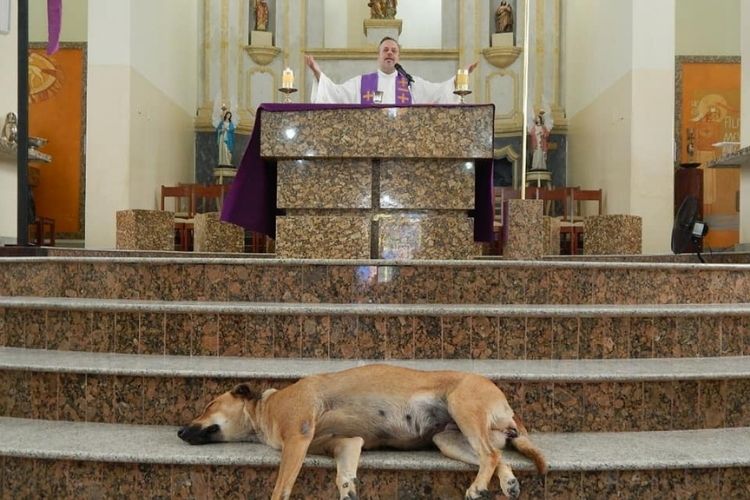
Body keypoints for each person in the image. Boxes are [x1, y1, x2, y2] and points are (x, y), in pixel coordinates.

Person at [305, 37, 478, 105]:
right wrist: (317, 71)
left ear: (398, 57)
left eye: (394, 51)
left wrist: (459, 79)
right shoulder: (362, 82)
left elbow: (438, 91)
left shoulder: (410, 83)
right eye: (385, 50)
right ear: (378, 56)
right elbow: (336, 94)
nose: (389, 53)